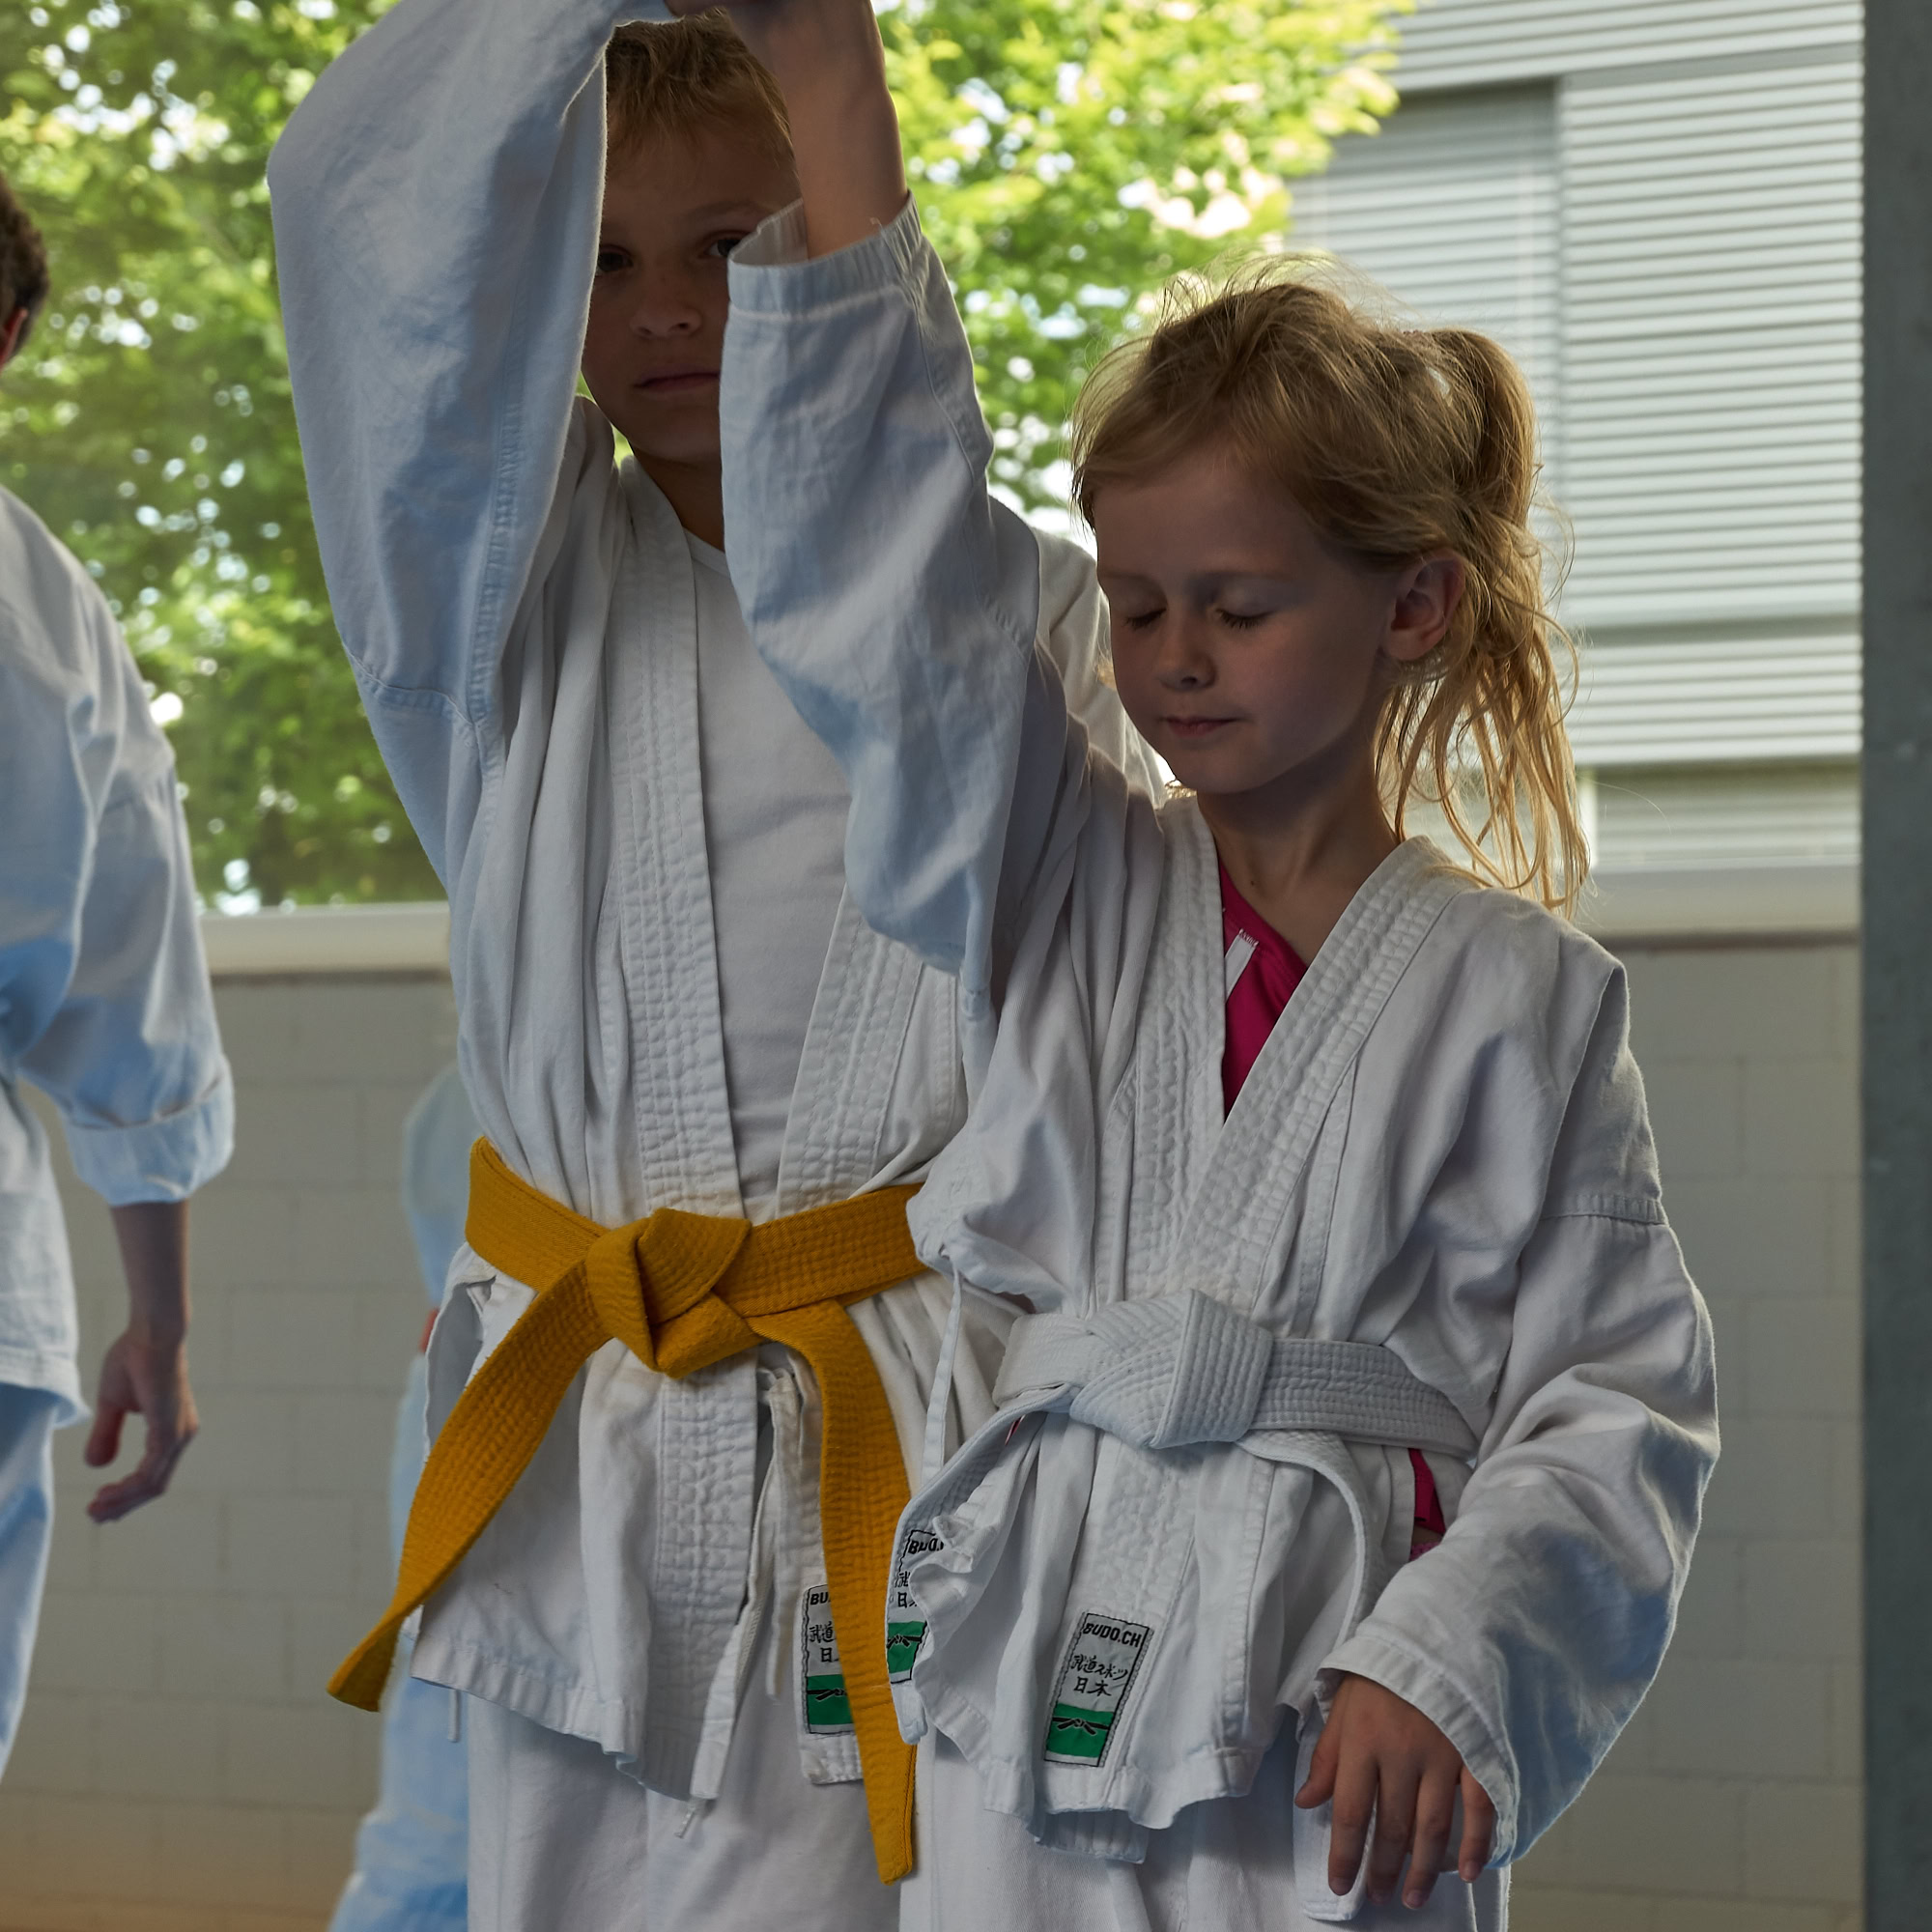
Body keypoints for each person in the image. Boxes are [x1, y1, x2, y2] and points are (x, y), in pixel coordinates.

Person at [696, 1, 1721, 1924]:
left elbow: (1615, 1398)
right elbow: (891, 585)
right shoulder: (1054, 871)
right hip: (1032, 1653)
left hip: (1332, 1699)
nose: (1171, 657)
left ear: (1411, 606)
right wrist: (825, 80)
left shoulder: (1523, 998)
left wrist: (1448, 1651)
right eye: (1140, 600)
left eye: (1238, 608)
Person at [265, 8, 1153, 1926]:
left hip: (899, 1401)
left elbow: (1094, 994)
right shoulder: (489, 603)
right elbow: (354, 209)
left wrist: (825, 65)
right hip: (588, 1418)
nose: (667, 306)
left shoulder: (1034, 610)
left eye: (735, 248)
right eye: (601, 259)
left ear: (835, 237)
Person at [0, 171, 234, 1779]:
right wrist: (158, 1321)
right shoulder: (50, 618)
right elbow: (134, 1007)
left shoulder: (53, 618)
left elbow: (141, 1005)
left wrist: (161, 1319)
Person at [327, 1063, 476, 1932]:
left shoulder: (458, 1087)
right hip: (482, 1390)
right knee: (448, 1774)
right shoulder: (479, 1081)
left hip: (463, 1388)